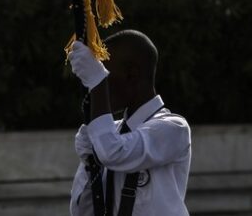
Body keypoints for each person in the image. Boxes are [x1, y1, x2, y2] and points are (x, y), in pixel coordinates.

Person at [68, 30, 191, 216]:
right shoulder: (110, 135)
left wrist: (96, 82)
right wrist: (90, 163)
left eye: (104, 76)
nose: (98, 89)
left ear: (132, 74)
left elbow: (114, 152)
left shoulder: (173, 128)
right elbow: (82, 212)